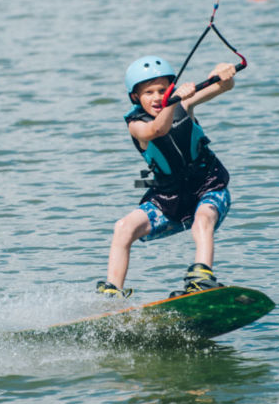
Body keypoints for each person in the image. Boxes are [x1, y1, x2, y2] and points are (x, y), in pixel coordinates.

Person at [96, 55, 236, 298]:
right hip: (168, 198)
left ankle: (202, 278)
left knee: (202, 220)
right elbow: (157, 129)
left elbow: (222, 85)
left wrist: (223, 74)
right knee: (123, 227)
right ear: (135, 98)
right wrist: (176, 99)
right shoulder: (136, 124)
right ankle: (113, 294)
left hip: (209, 187)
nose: (157, 97)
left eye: (163, 90)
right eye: (149, 92)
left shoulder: (184, 104)